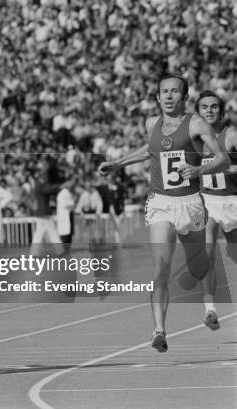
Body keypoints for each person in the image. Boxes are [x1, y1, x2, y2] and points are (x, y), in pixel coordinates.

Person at [99, 74, 229, 352]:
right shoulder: (151, 124)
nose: (169, 96)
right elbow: (151, 150)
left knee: (198, 269)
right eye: (164, 92)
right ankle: (159, 330)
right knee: (160, 268)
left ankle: (204, 280)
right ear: (157, 97)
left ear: (184, 97)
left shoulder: (196, 123)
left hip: (191, 204)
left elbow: (222, 158)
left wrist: (199, 169)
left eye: (174, 92)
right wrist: (117, 163)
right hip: (160, 203)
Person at [195, 90, 237, 331]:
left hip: (232, 202)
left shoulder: (230, 135)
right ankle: (209, 310)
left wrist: (225, 169)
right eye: (204, 107)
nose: (209, 111)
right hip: (208, 202)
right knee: (207, 256)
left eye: (213, 107)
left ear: (221, 112)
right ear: (198, 112)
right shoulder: (195, 139)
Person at [56, 179, 76, 255]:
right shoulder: (63, 194)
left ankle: (67, 249)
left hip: (68, 215)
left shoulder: (67, 193)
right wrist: (74, 203)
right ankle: (65, 250)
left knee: (69, 234)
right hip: (65, 216)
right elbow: (68, 205)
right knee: (65, 235)